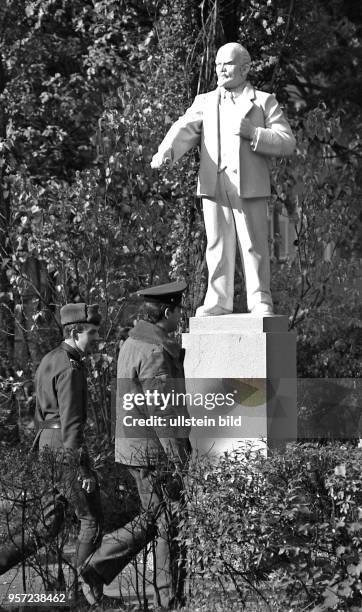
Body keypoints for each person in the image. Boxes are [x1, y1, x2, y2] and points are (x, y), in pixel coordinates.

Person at [151, 43, 296, 316]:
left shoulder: (264, 101)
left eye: (227, 64)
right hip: (214, 183)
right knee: (216, 245)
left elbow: (287, 142)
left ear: (245, 68)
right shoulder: (205, 101)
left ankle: (260, 299)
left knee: (253, 244)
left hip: (249, 186)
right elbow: (183, 127)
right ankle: (218, 299)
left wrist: (254, 133)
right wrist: (167, 151)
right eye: (218, 64)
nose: (220, 69)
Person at [80, 281, 192, 610]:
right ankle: (160, 596)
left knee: (158, 518)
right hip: (153, 452)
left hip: (136, 448)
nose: (179, 318)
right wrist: (180, 461)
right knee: (165, 519)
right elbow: (164, 411)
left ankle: (161, 595)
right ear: (168, 312)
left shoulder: (133, 341)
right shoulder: (155, 350)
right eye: (177, 312)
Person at [0, 303, 103, 576]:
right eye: (91, 332)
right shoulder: (70, 368)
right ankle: (86, 591)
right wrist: (82, 467)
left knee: (47, 525)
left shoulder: (49, 359)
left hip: (47, 441)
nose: (96, 338)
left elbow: (39, 412)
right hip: (64, 445)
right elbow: (71, 421)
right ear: (75, 331)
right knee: (91, 520)